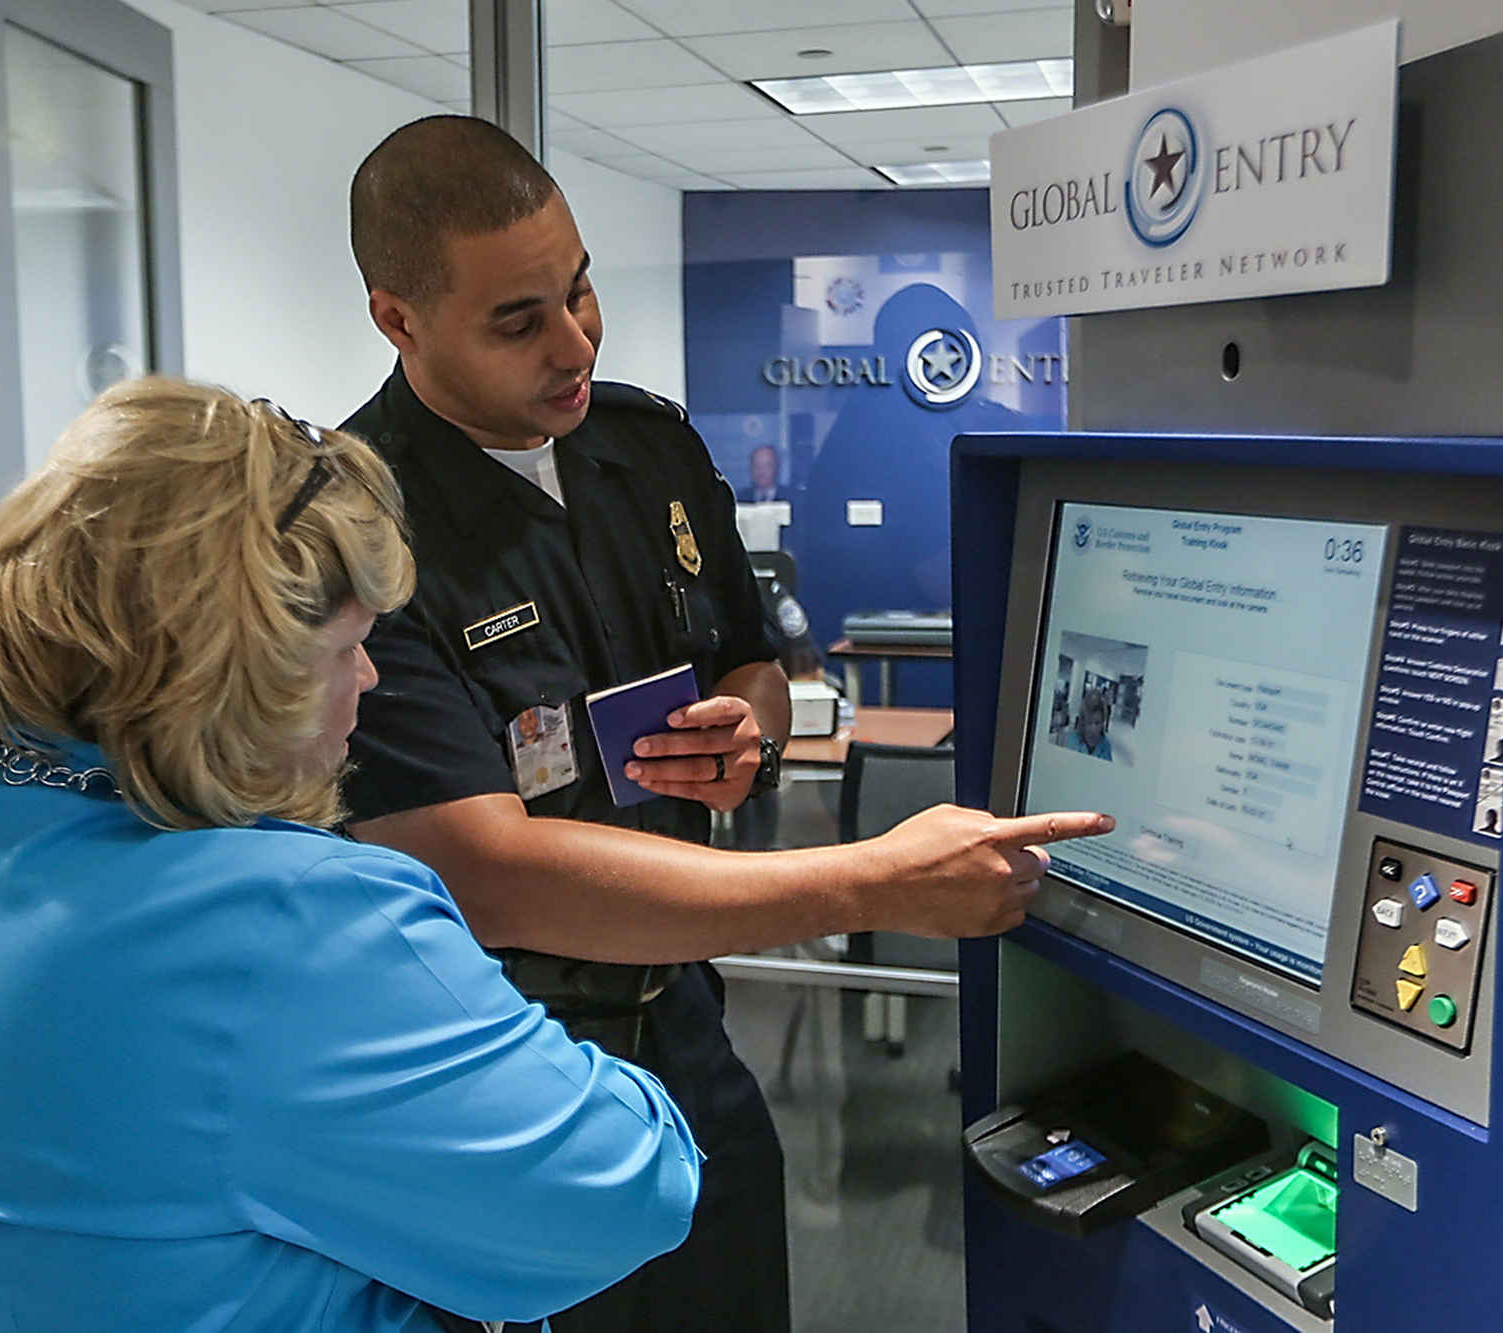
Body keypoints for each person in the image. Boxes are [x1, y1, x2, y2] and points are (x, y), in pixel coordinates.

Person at [337, 116, 1114, 1333]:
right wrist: (866, 883)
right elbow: (485, 872)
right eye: (517, 319)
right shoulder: (357, 530)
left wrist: (740, 732)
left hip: (682, 1024)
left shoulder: (642, 447)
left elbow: (749, 657)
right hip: (489, 1059)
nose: (573, 341)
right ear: (398, 319)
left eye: (581, 291)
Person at [0, 379, 702, 1333]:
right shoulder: (287, 920)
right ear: (239, 668)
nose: (369, 675)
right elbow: (631, 1187)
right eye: (348, 642)